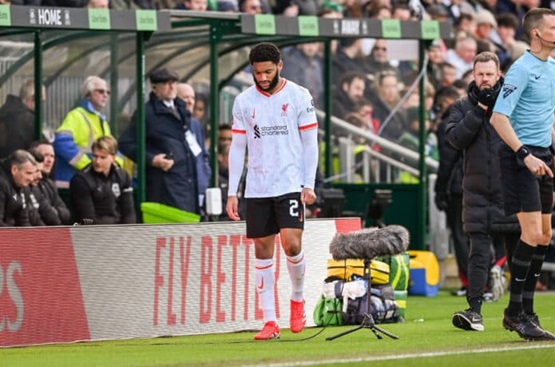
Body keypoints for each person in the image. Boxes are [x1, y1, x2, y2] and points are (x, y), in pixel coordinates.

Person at [226, 43, 318, 340]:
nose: (262, 77)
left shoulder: (299, 96)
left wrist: (309, 183)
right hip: (258, 186)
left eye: (267, 71)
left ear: (280, 65)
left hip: (290, 183)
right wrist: (232, 192)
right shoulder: (243, 101)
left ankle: (298, 298)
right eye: (256, 72)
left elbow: (310, 142)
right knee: (262, 249)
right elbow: (237, 147)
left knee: (291, 245)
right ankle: (269, 320)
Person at [490, 8, 555, 341]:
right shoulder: (521, 70)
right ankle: (516, 313)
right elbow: (499, 118)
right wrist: (524, 154)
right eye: (553, 27)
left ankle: (524, 311)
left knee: (544, 235)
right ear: (536, 34)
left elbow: (549, 118)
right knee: (530, 233)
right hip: (521, 156)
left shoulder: (552, 67)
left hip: (543, 156)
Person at [445, 51, 520, 333]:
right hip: (475, 193)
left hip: (510, 190)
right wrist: (478, 110)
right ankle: (474, 311)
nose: (485, 79)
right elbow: (455, 139)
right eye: (480, 74)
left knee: (517, 255)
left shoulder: (514, 103)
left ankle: (518, 311)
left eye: (490, 74)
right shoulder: (462, 107)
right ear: (473, 75)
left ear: (499, 74)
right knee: (478, 254)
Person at [119, 68, 201, 214]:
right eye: (166, 83)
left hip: (188, 183)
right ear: (154, 86)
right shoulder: (146, 113)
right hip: (165, 186)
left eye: (174, 83)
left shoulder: (181, 109)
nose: (171, 87)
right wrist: (152, 159)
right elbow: (126, 143)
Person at [54, 76, 123, 188]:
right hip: (71, 181)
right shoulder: (76, 115)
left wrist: (117, 164)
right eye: (101, 91)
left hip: (90, 182)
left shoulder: (102, 120)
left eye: (108, 92)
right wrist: (88, 165)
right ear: (88, 94)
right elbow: (61, 143)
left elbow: (112, 148)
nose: (105, 95)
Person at [70, 136, 136, 225]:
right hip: (92, 233)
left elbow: (129, 213)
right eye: (95, 156)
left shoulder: (123, 176)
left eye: (103, 157)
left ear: (113, 158)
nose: (98, 161)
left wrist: (126, 233)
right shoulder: (81, 180)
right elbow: (88, 219)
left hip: (118, 231)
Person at [176, 82, 212, 213]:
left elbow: (203, 154)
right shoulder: (171, 123)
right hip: (182, 191)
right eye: (186, 98)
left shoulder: (195, 124)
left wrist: (205, 174)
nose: (190, 102)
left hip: (200, 188)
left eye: (192, 98)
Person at [28, 140, 71, 225]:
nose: (50, 160)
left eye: (52, 156)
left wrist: (53, 211)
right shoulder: (27, 184)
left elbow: (67, 214)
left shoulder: (50, 184)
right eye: (45, 155)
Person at [0, 79, 45, 158]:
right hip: (21, 164)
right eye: (42, 102)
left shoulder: (4, 111)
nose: (42, 107)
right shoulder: (28, 119)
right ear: (33, 98)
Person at [0, 150, 36, 227]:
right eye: (28, 173)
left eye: (33, 174)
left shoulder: (24, 186)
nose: (31, 178)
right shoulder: (2, 184)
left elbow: (23, 221)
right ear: (14, 169)